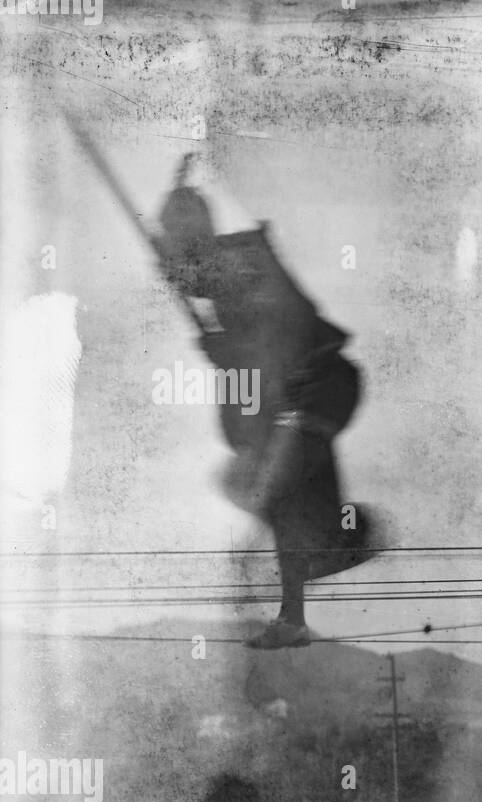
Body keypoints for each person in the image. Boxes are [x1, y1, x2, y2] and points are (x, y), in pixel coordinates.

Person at [156, 156, 376, 648]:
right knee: (270, 490)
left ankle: (328, 546)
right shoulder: (225, 277)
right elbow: (243, 377)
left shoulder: (243, 257)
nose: (179, 269)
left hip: (317, 385)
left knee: (273, 483)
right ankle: (297, 607)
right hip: (299, 398)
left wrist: (225, 350)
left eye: (180, 245)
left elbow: (270, 331)